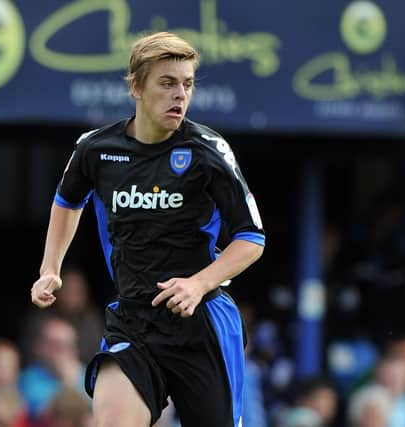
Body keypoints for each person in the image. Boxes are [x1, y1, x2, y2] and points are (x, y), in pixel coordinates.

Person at [30, 31, 265, 427]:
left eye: (187, 84)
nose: (180, 95)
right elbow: (68, 201)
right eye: (168, 83)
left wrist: (198, 284)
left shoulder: (208, 151)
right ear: (136, 87)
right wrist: (50, 267)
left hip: (201, 325)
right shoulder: (96, 149)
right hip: (134, 321)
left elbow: (252, 239)